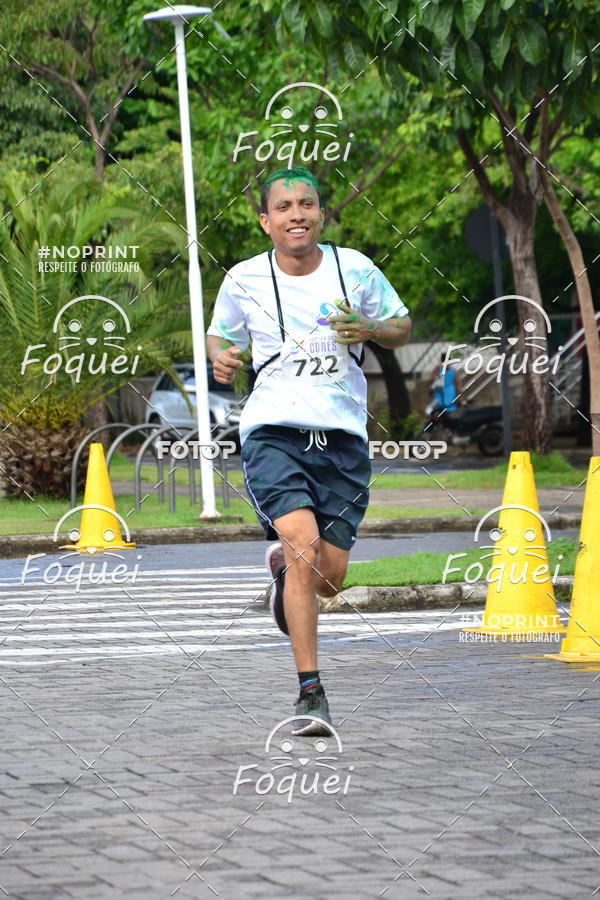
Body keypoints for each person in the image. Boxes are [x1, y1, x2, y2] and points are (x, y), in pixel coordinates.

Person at [207, 166, 411, 735]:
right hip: (273, 430)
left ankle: (285, 574)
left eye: (307, 203)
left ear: (320, 213)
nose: (297, 214)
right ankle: (310, 694)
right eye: (285, 206)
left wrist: (369, 326)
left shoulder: (355, 269)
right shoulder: (244, 278)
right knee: (302, 545)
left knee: (329, 576)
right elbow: (219, 336)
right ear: (266, 220)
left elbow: (403, 325)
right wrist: (222, 357)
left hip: (343, 437)